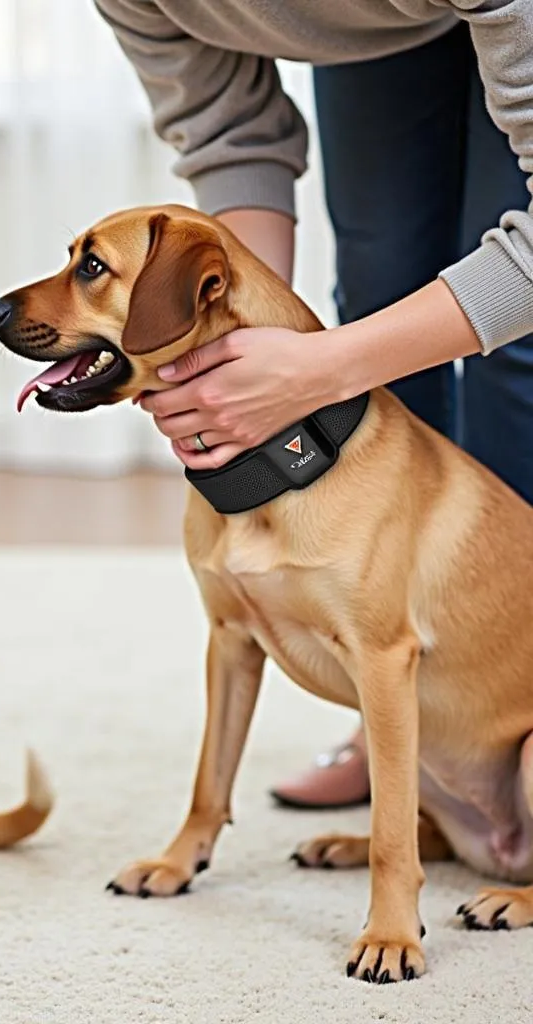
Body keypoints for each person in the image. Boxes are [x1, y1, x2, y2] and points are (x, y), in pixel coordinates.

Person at [93, 1, 533, 808]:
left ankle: (496, 707)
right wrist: (233, 352)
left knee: (514, 350)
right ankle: (401, 708)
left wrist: (322, 368)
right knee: (382, 297)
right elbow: (233, 137)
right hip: (375, 23)